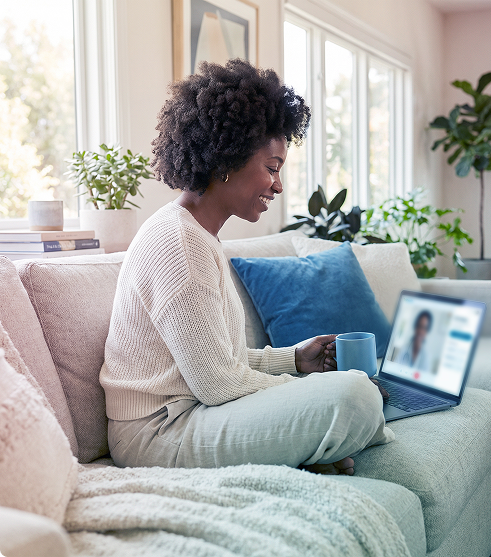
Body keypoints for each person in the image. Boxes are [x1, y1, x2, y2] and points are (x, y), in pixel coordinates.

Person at [100, 59, 394, 476]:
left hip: (191, 411)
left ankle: (310, 448)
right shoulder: (180, 244)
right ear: (226, 160)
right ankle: (314, 446)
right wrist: (312, 389)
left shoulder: (199, 235)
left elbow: (220, 362)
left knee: (350, 394)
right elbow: (219, 384)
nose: (278, 185)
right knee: (356, 396)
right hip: (157, 435)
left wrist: (295, 359)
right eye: (272, 169)